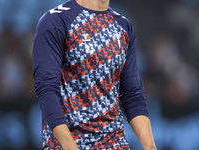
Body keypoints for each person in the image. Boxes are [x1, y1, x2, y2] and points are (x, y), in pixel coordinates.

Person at [33, 0, 157, 149]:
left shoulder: (123, 26)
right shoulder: (55, 20)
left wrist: (151, 147)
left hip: (114, 144)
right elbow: (46, 90)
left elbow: (133, 95)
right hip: (69, 144)